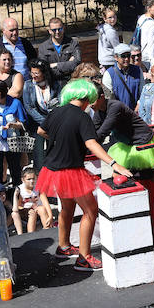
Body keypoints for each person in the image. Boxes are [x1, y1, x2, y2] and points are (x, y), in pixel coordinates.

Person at [37, 79, 131, 271]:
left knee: (67, 207)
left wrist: (63, 139)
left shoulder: (56, 112)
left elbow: (41, 130)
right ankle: (84, 258)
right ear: (87, 98)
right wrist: (114, 164)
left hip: (52, 168)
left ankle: (63, 247)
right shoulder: (82, 117)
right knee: (90, 210)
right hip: (70, 170)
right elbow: (91, 144)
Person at [89, 78, 154, 172]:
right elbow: (93, 132)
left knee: (141, 174)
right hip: (127, 142)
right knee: (123, 173)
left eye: (92, 101)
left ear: (101, 97)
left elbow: (103, 132)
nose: (90, 105)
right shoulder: (99, 112)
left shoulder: (115, 107)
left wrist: (89, 145)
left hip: (142, 141)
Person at [0, 81, 27, 187]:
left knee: (15, 169)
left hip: (12, 142)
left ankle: (16, 194)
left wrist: (12, 125)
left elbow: (22, 124)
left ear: (3, 92)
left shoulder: (15, 103)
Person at [22, 59, 60, 173]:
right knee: (38, 153)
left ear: (44, 73)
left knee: (53, 150)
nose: (33, 76)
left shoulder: (54, 84)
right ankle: (39, 176)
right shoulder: (28, 85)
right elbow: (29, 107)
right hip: (37, 124)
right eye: (32, 73)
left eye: (36, 73)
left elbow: (60, 101)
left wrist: (51, 121)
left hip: (53, 122)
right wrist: (44, 122)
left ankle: (53, 173)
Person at [37, 17, 81, 86]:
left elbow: (76, 63)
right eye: (54, 30)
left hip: (71, 83)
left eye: (59, 29)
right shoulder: (43, 47)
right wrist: (67, 65)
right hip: (52, 85)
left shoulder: (73, 43)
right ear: (50, 31)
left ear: (63, 28)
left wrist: (55, 65)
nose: (57, 32)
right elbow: (44, 69)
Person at [102, 43, 143, 110]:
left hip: (135, 113)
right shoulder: (109, 74)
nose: (126, 59)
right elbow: (108, 98)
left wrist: (138, 106)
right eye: (123, 56)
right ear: (116, 57)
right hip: (118, 114)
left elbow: (142, 92)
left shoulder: (138, 70)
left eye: (128, 55)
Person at [12, 168, 52, 234]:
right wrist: (27, 209)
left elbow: (45, 203)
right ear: (23, 180)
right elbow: (18, 206)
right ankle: (30, 234)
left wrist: (50, 216)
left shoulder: (39, 187)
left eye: (33, 178)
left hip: (38, 211)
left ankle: (47, 229)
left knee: (42, 208)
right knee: (32, 213)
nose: (32, 181)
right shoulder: (20, 189)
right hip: (25, 214)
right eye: (29, 179)